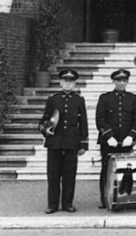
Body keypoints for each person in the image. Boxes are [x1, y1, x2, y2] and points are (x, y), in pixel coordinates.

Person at [39, 69, 88, 214]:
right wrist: (44, 129)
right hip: (54, 143)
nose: (68, 84)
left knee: (69, 175)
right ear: (60, 82)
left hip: (71, 143)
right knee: (53, 175)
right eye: (65, 81)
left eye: (71, 82)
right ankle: (52, 204)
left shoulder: (79, 100)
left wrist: (83, 143)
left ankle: (67, 203)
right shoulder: (53, 99)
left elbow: (83, 123)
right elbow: (44, 120)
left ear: (74, 84)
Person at [96, 68, 136, 209]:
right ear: (114, 81)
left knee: (126, 171)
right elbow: (100, 119)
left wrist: (131, 136)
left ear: (127, 82)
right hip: (109, 142)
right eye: (118, 80)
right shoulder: (105, 98)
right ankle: (105, 197)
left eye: (124, 80)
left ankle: (124, 196)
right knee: (106, 169)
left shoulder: (133, 99)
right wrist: (108, 136)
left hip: (126, 141)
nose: (121, 83)